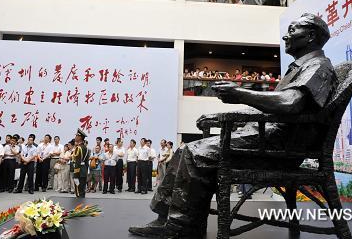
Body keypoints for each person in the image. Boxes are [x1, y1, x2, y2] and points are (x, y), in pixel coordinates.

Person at [129, 13, 338, 238]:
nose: (286, 36)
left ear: (311, 36)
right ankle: (166, 218)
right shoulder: (299, 68)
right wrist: (227, 112)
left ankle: (183, 227)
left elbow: (289, 104)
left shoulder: (319, 66)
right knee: (184, 150)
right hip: (271, 138)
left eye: (293, 30)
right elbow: (270, 107)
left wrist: (240, 93)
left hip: (281, 146)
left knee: (194, 153)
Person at [71, 130, 89, 198]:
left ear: (80, 137)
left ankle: (79, 206)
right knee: (82, 189)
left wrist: (75, 175)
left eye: (76, 135)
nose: (75, 137)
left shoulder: (79, 148)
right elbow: (86, 162)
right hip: (83, 170)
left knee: (78, 191)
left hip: (79, 171)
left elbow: (78, 162)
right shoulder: (85, 147)